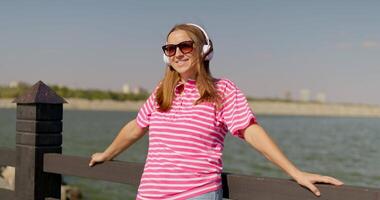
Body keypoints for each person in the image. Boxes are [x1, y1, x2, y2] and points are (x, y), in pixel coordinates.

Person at [88, 23, 343, 200]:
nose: (177, 53)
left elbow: (251, 131)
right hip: (149, 194)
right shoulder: (160, 92)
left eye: (185, 46)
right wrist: (106, 153)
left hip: (197, 193)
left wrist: (295, 172)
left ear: (204, 50)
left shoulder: (223, 90)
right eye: (170, 49)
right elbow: (136, 127)